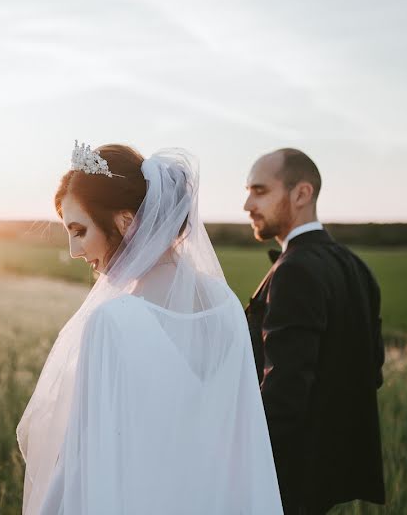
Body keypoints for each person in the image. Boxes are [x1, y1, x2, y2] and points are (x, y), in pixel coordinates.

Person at [18, 142, 282, 515]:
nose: (75, 250)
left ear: (126, 222)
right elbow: (244, 444)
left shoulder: (112, 322)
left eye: (79, 230)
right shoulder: (226, 307)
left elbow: (84, 463)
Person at [243, 148, 385, 514]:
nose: (247, 204)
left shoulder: (295, 270)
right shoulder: (356, 267)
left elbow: (284, 392)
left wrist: (244, 465)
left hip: (286, 481)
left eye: (260, 191)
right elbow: (372, 371)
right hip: (325, 479)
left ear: (301, 194)